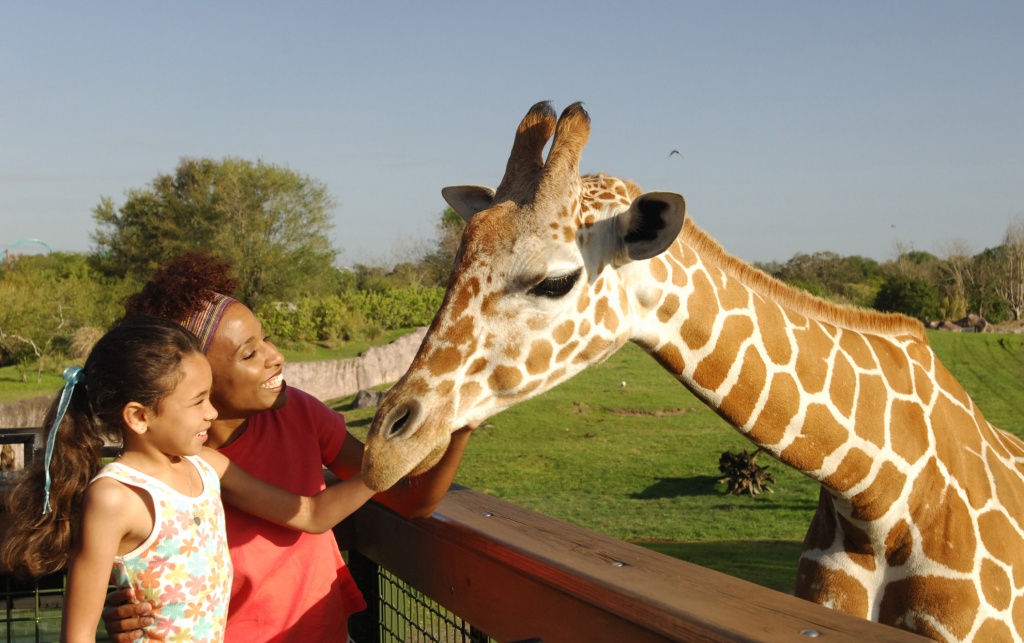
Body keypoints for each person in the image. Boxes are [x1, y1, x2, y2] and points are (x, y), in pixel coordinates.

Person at [102, 251, 473, 642]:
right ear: (192, 376)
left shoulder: (297, 413)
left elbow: (410, 499)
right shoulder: (167, 473)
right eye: (249, 353)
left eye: (265, 338)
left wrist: (462, 421)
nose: (276, 357)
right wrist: (128, 610)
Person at [0, 317, 378, 643]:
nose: (212, 412)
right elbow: (78, 635)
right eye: (197, 402)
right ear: (138, 417)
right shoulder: (115, 498)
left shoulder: (205, 465)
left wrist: (381, 471)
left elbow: (310, 514)